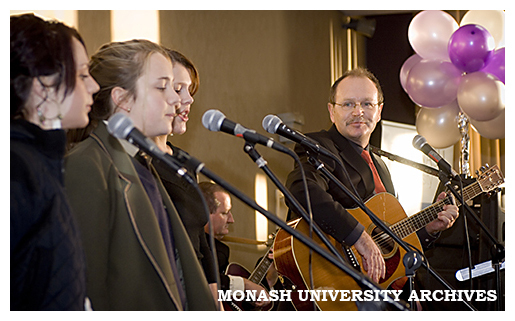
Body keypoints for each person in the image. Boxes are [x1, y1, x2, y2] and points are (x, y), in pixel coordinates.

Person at [64, 39, 216, 311]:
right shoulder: (87, 166)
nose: (176, 98)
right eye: (162, 87)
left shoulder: (141, 162)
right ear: (122, 99)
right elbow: (89, 293)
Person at [285, 67, 459, 289]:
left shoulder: (381, 166)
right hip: (328, 286)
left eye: (367, 104)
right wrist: (357, 236)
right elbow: (301, 191)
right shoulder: (318, 146)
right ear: (332, 111)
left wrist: (428, 229)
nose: (358, 112)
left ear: (379, 111)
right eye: (348, 104)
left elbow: (389, 240)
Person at [10, 13, 99, 310]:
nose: (95, 87)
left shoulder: (41, 163)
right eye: (83, 74)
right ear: (43, 86)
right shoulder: (16, 171)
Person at [150, 50, 219, 305]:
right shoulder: (139, 163)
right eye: (179, 90)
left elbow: (201, 243)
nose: (188, 100)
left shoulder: (184, 161)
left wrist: (215, 301)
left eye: (190, 91)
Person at [199, 181, 271, 308]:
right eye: (224, 213)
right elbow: (201, 280)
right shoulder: (193, 246)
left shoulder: (221, 249)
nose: (231, 220)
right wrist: (245, 284)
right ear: (204, 213)